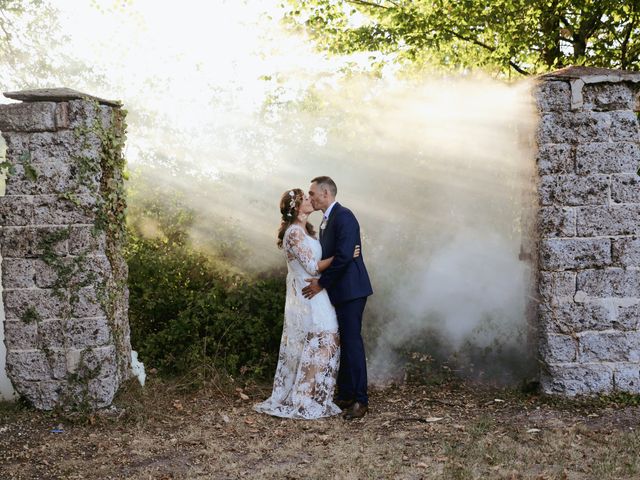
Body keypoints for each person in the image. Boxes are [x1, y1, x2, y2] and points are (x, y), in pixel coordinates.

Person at [254, 188, 360, 419]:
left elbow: (315, 262)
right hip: (309, 292)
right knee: (324, 338)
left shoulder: (308, 231)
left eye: (310, 197)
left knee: (323, 340)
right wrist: (345, 255)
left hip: (316, 290)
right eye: (305, 199)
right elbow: (312, 266)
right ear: (296, 208)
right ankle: (303, 397)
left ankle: (306, 394)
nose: (310, 201)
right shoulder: (293, 232)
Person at [302, 176, 373, 420]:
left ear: (325, 194)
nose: (310, 197)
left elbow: (344, 257)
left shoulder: (344, 216)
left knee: (353, 343)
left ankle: (361, 401)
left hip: (352, 290)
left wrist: (321, 283)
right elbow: (338, 254)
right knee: (343, 342)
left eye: (312, 193)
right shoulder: (326, 220)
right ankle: (346, 394)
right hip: (339, 290)